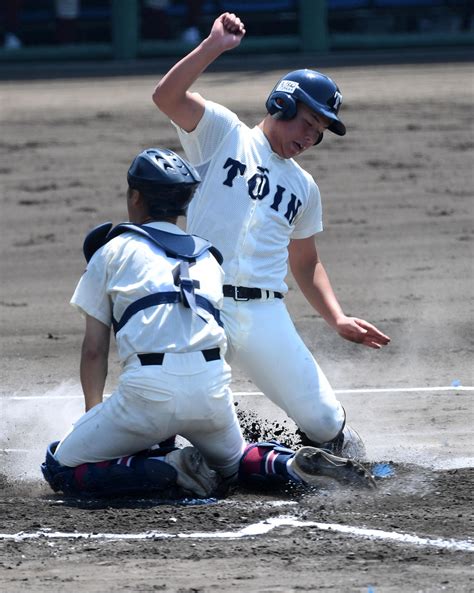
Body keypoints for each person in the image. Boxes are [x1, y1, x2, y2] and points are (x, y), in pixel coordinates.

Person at [41, 147, 376, 499]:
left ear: (135, 197)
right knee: (233, 463)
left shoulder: (111, 250)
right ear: (184, 205)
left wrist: (94, 415)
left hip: (147, 395)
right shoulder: (209, 258)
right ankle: (288, 466)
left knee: (60, 466)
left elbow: (94, 351)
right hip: (212, 394)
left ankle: (166, 468)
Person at [152, 12, 391, 461]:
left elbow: (306, 262)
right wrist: (213, 46)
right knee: (181, 406)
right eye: (307, 121)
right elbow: (166, 96)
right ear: (282, 104)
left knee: (323, 419)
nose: (310, 136)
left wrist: (337, 318)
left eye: (319, 132)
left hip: (263, 312)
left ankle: (336, 456)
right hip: (203, 303)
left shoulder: (304, 186)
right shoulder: (222, 135)